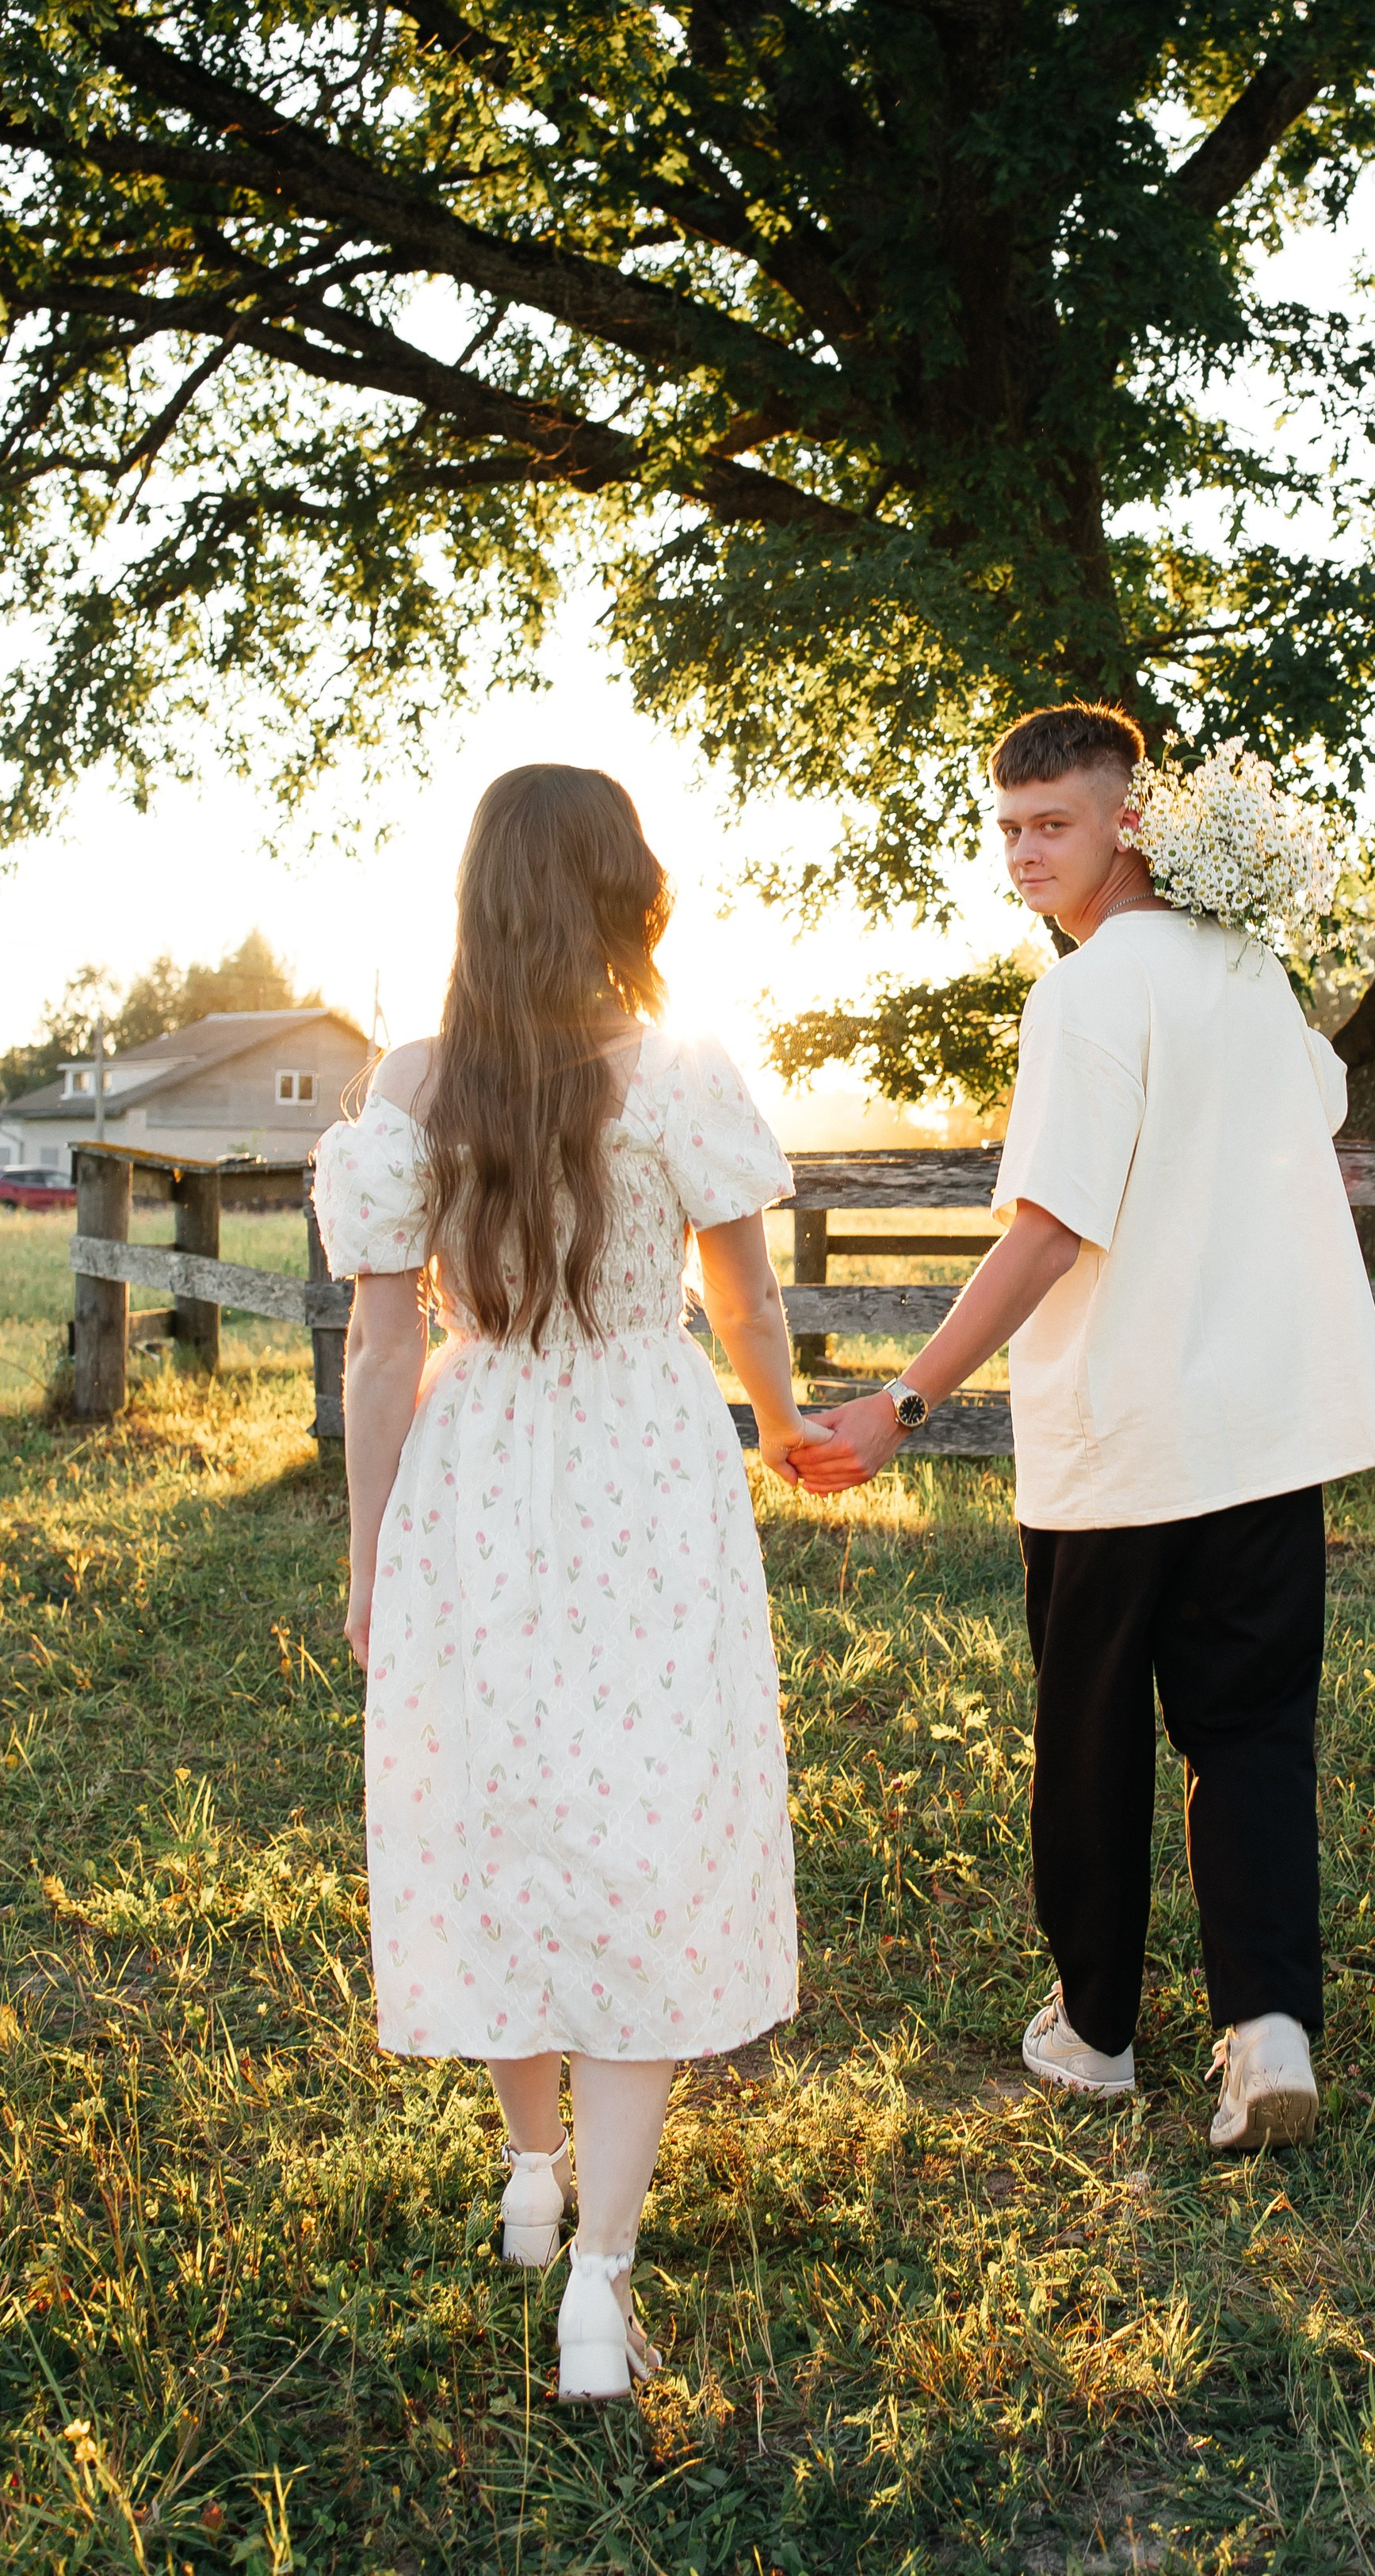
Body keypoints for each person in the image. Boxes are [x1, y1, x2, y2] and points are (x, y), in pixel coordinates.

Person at [793, 704, 1375, 2148]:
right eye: (1005, 826)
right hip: (1260, 1428)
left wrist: (903, 1400)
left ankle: (1098, 2033)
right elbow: (1315, 1103)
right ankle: (1265, 2029)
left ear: (1131, 821)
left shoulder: (1081, 996)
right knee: (1252, 1734)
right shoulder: (1246, 967)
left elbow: (1050, 1230)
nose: (1022, 851)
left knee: (1091, 1742)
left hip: (1121, 1438)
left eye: (1052, 823)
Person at [314, 765, 814, 2399]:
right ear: (623, 886)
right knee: (636, 1834)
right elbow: (744, 1307)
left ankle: (534, 2172)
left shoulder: (409, 1083)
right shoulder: (672, 1072)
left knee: (501, 1820)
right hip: (644, 1466)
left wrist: (371, 1547)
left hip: (477, 1469)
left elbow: (384, 1346)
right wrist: (793, 1420)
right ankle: (599, 2277)